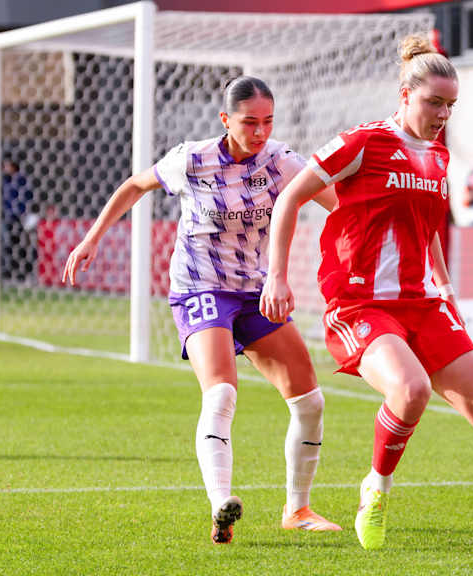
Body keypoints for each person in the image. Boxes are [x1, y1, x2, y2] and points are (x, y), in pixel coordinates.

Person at [259, 36, 473, 552]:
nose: (443, 114)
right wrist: (277, 276)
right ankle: (375, 489)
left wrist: (443, 282)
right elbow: (290, 197)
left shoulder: (439, 156)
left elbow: (428, 228)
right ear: (405, 94)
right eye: (434, 102)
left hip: (422, 302)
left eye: (450, 105)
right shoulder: (361, 143)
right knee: (411, 391)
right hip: (360, 304)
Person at [62, 76, 341, 544]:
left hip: (256, 293)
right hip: (200, 288)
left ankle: (298, 509)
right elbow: (134, 185)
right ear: (225, 119)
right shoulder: (192, 158)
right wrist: (92, 238)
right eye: (249, 122)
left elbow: (339, 206)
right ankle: (221, 504)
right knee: (222, 394)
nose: (260, 132)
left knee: (310, 401)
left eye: (268, 121)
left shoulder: (282, 162)